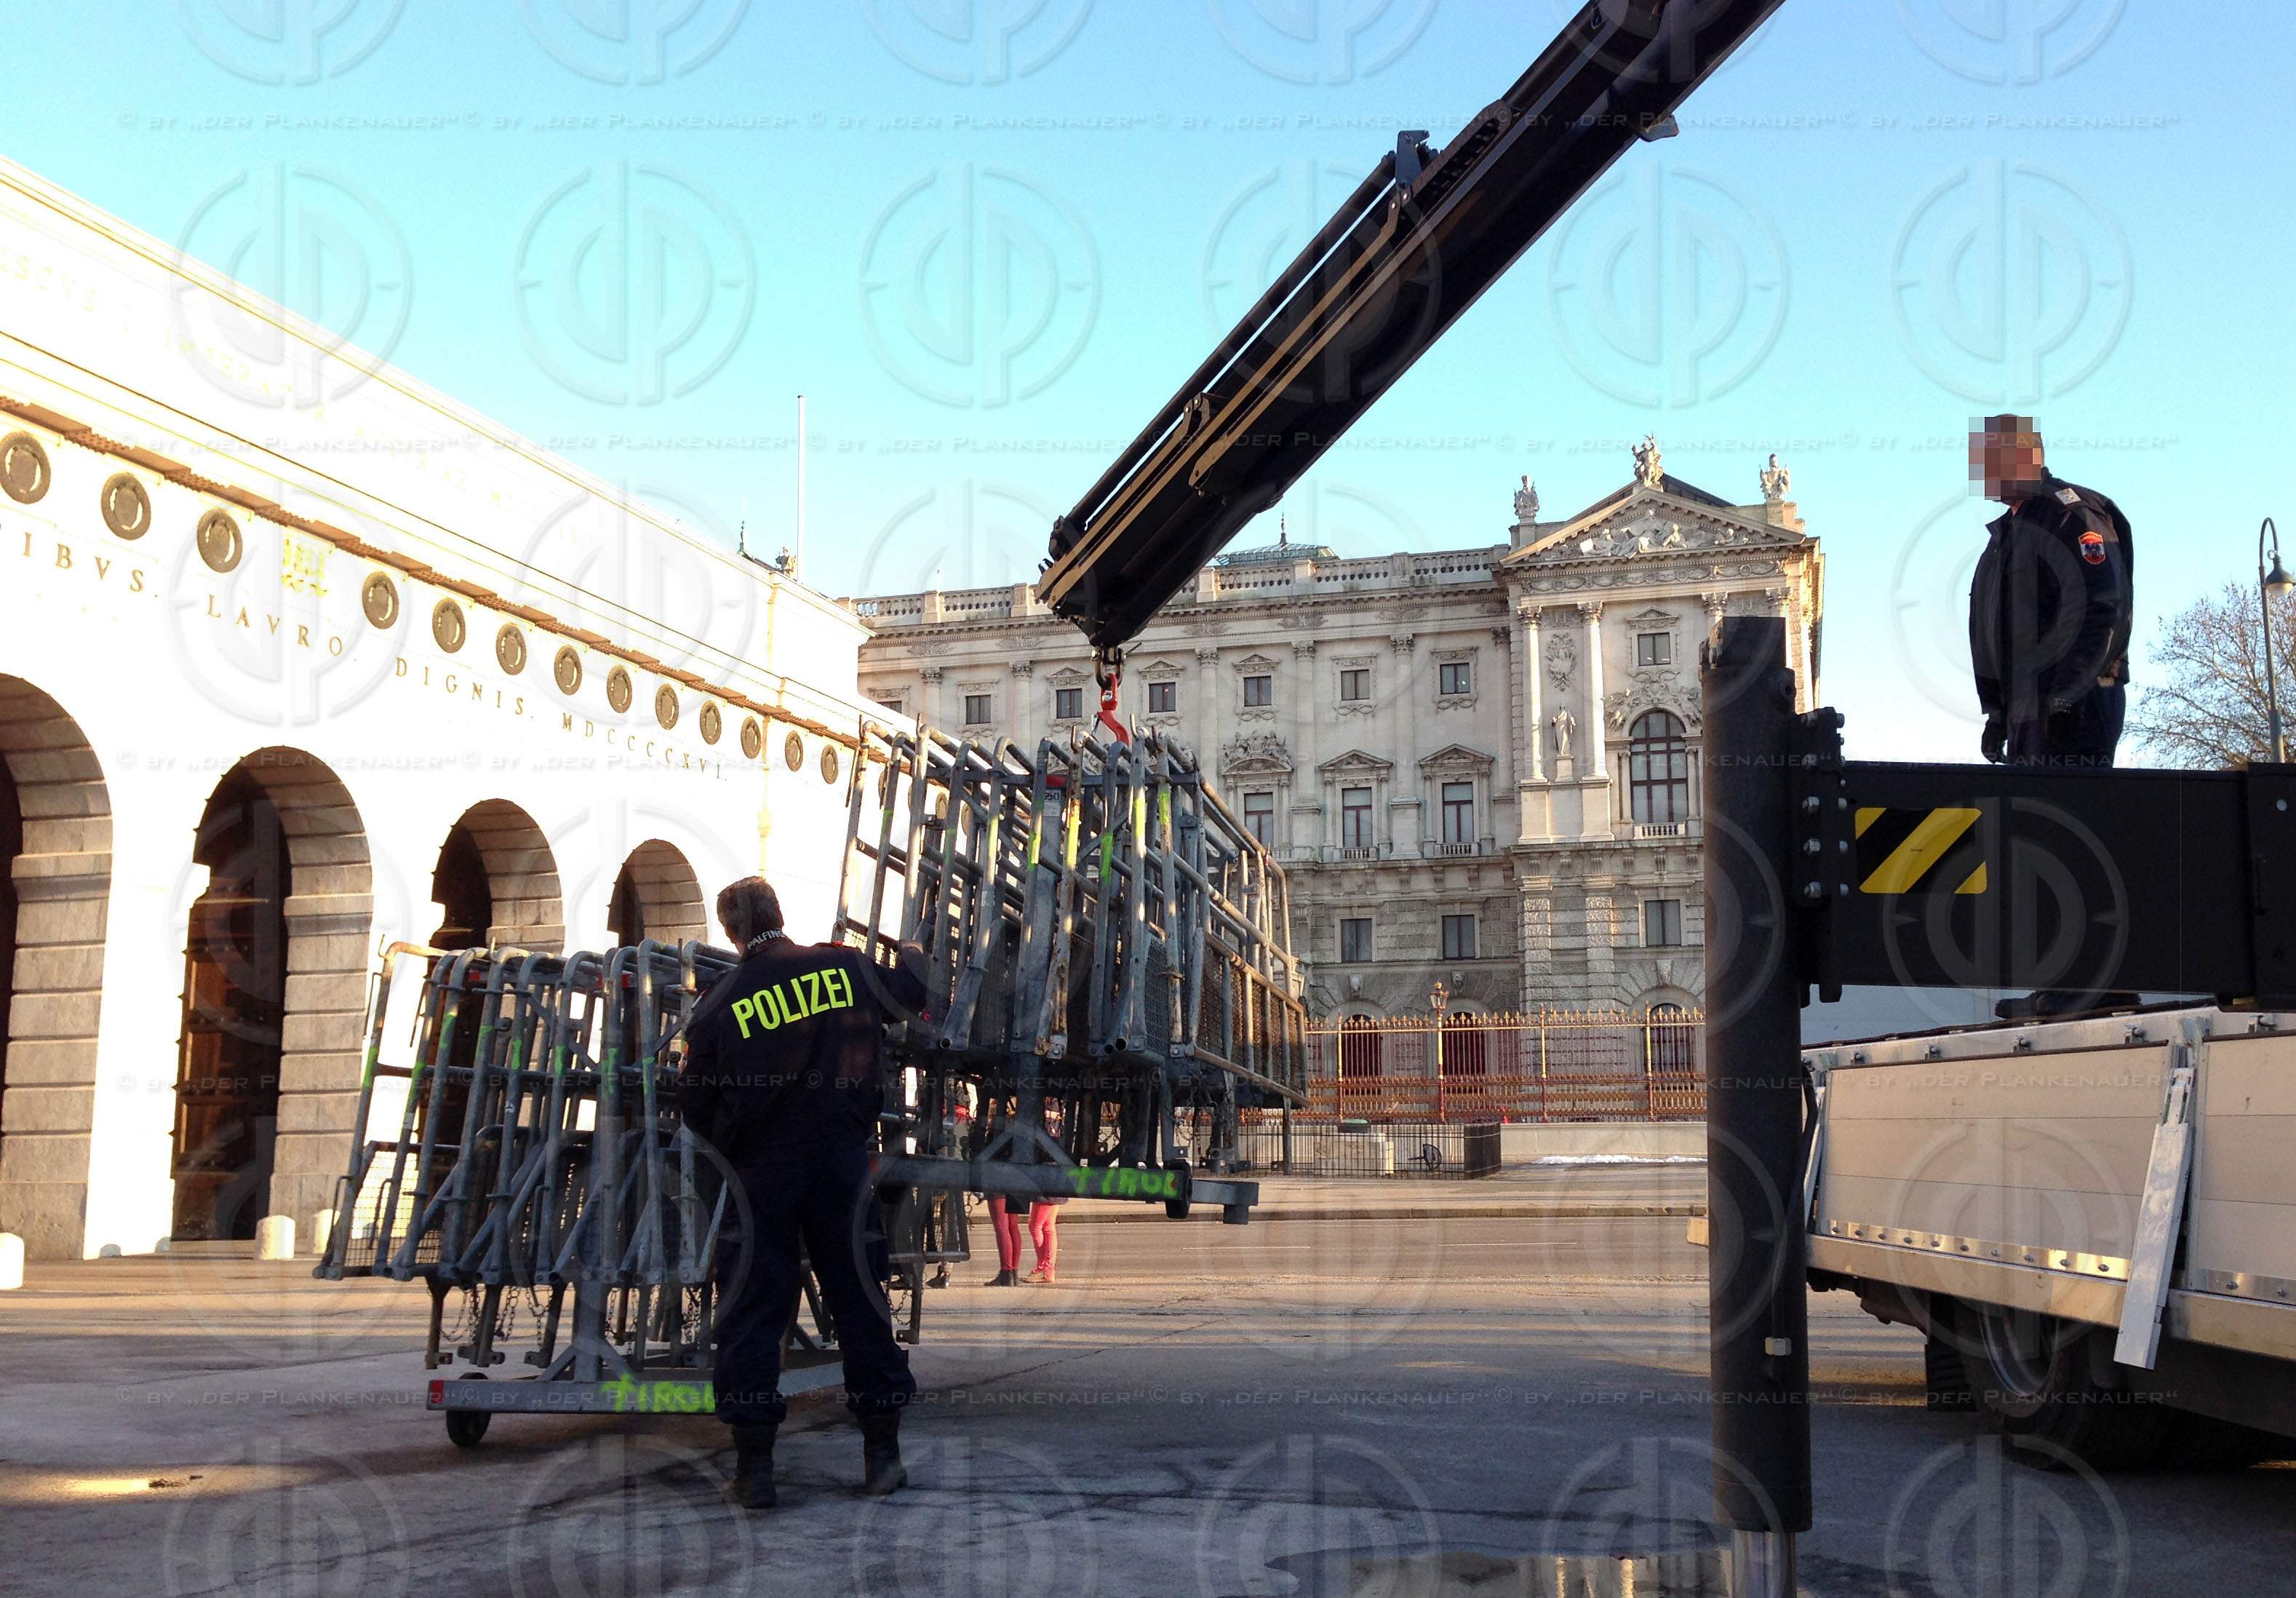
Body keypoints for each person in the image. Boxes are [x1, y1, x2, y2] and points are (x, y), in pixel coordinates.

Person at [678, 875, 929, 1511]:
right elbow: (910, 995)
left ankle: (756, 1469)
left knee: (754, 1310)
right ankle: (881, 1457)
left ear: (731, 932)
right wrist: (913, 953)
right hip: (842, 1165)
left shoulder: (719, 1000)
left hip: (761, 1174)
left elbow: (694, 1103)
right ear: (779, 914)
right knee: (861, 1303)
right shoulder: (844, 967)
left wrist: (738, 1142)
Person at [1966, 414, 2135, 768]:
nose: (1983, 468)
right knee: (2031, 820)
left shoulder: (2070, 514)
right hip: (2027, 713)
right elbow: (1989, 636)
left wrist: (2068, 697)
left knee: (2071, 817)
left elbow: (2103, 606)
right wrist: (1996, 714)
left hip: (2079, 706)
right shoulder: (2001, 541)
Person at [1024, 1195, 1066, 1284]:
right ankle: (1049, 1270)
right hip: (1056, 1192)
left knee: (1035, 1227)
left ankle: (1043, 1269)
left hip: (1044, 1193)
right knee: (1048, 1227)